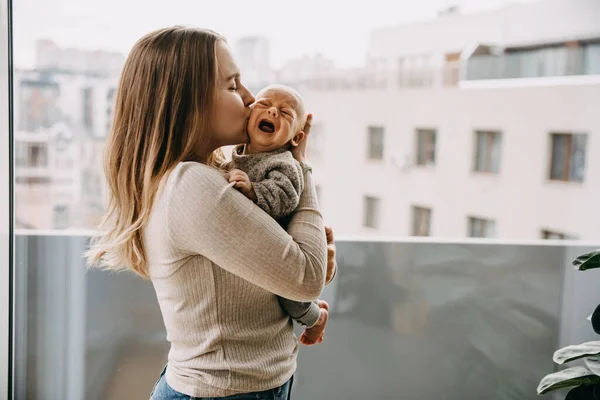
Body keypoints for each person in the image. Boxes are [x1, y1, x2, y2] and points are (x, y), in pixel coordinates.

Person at [85, 26, 336, 400]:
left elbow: (285, 272)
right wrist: (299, 163)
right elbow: (308, 277)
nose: (251, 99)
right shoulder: (191, 185)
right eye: (234, 85)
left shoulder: (202, 177)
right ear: (189, 100)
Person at [226, 84, 330, 346]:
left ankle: (315, 317)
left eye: (285, 113)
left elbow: (285, 197)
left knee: (289, 297)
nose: (272, 111)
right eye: (264, 104)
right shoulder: (238, 153)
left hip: (283, 246)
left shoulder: (284, 162)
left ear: (296, 138)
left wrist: (253, 191)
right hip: (256, 244)